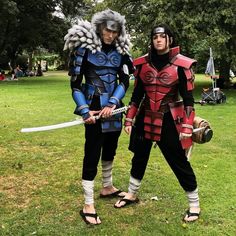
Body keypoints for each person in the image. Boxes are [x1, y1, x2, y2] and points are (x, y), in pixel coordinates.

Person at [114, 23, 201, 223]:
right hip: (145, 116)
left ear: (170, 39)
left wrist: (187, 126)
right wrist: (129, 118)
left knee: (178, 160)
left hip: (169, 118)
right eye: (155, 37)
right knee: (139, 156)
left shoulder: (182, 65)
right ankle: (132, 193)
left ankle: (194, 204)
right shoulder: (143, 64)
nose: (158, 40)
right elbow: (137, 95)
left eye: (162, 36)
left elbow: (188, 100)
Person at [64, 9, 134, 225]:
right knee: (92, 152)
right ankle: (88, 204)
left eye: (114, 31)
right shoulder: (83, 51)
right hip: (93, 108)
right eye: (107, 30)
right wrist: (85, 110)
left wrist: (114, 102)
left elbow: (124, 80)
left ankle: (107, 186)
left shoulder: (121, 51)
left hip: (114, 108)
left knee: (111, 148)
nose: (110, 35)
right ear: (99, 28)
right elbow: (75, 85)